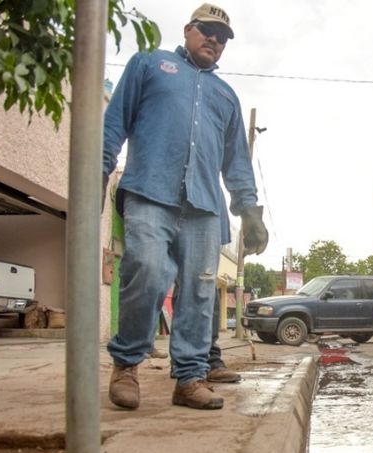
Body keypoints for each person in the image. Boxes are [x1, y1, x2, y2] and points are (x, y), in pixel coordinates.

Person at [102, 3, 267, 410]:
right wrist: (98, 169)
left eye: (222, 37)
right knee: (147, 268)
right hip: (150, 192)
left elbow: (236, 161)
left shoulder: (225, 96)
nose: (214, 40)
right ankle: (126, 364)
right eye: (207, 30)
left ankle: (190, 378)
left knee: (199, 290)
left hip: (204, 208)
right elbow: (114, 121)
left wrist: (249, 210)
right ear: (188, 29)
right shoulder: (149, 64)